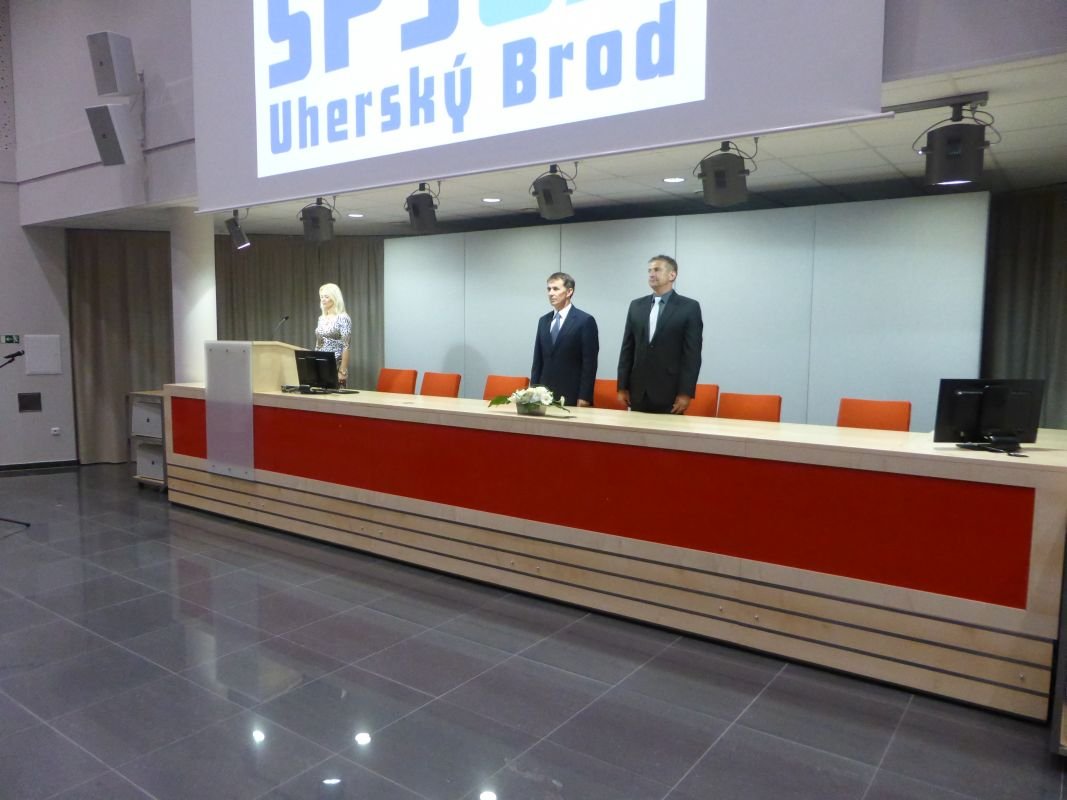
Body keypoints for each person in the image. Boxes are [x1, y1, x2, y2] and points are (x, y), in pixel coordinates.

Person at [617, 255, 703, 413]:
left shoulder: (689, 307)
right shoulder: (636, 306)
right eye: (649, 270)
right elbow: (627, 349)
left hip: (669, 392)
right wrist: (622, 387)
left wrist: (685, 393)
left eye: (657, 270)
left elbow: (692, 355)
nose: (651, 274)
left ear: (672, 275)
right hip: (638, 392)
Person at [531, 272, 599, 407]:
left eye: (555, 289)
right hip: (544, 395)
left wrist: (584, 396)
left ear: (569, 292)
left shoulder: (585, 321)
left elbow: (589, 364)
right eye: (549, 289)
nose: (551, 293)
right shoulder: (543, 321)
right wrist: (533, 391)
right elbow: (538, 360)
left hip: (571, 394)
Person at [314, 283, 352, 386]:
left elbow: (346, 346)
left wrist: (342, 370)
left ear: (335, 298)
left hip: (335, 364)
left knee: (334, 394)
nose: (323, 299)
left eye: (326, 297)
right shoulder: (321, 319)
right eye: (322, 297)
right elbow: (318, 344)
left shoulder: (343, 318)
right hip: (320, 364)